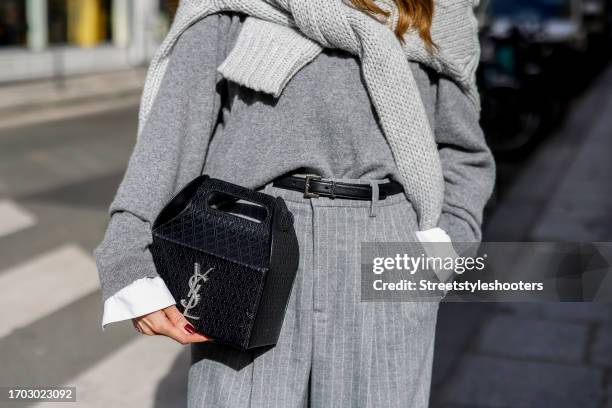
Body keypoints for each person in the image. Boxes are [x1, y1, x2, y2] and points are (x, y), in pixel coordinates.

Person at [94, 0, 495, 406]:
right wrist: (129, 261)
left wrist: (444, 250)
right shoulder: (229, 8)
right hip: (249, 244)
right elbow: (166, 144)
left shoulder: (435, 12)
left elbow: (463, 151)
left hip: (385, 247)